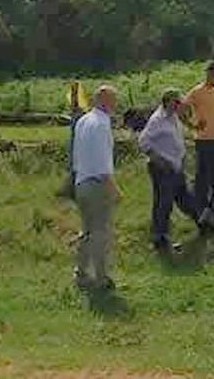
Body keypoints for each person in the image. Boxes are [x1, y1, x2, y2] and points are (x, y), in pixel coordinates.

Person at [138, 90, 200, 253]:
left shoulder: (174, 118)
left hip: (175, 166)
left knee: (184, 198)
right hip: (162, 169)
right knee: (164, 203)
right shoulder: (158, 120)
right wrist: (159, 159)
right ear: (166, 102)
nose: (179, 105)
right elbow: (143, 142)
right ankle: (160, 238)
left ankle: (202, 222)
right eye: (176, 102)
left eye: (179, 102)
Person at [72, 84, 121, 291]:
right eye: (114, 100)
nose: (115, 104)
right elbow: (103, 161)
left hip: (81, 181)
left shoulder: (83, 121)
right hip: (97, 183)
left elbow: (75, 155)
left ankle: (81, 271)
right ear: (106, 101)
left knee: (87, 231)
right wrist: (114, 187)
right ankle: (101, 278)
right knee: (101, 232)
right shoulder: (102, 124)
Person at [180, 61, 214, 227]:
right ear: (209, 73)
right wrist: (192, 126)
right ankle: (200, 211)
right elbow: (181, 110)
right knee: (203, 177)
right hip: (205, 141)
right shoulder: (197, 92)